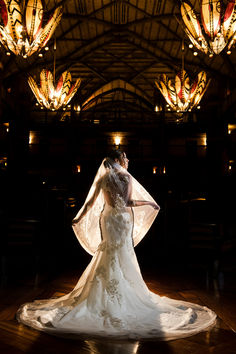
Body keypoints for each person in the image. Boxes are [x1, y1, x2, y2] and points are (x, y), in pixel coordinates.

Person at [17, 150, 216, 340]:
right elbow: (128, 202)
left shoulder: (103, 178)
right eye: (125, 157)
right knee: (122, 251)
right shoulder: (127, 178)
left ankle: (100, 292)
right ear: (119, 160)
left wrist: (78, 218)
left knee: (108, 249)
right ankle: (122, 291)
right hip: (122, 220)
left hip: (108, 218)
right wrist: (149, 203)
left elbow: (90, 203)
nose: (127, 160)